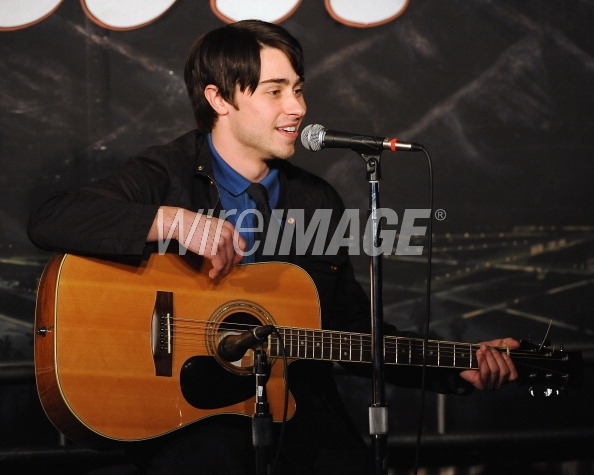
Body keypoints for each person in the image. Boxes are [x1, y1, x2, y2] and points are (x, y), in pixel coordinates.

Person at [28, 20, 519, 475]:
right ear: (219, 99)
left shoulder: (314, 198)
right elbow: (52, 217)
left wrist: (455, 366)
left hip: (295, 412)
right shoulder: (167, 175)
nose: (298, 108)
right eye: (275, 91)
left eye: (299, 89)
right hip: (189, 418)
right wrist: (171, 221)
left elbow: (349, 333)